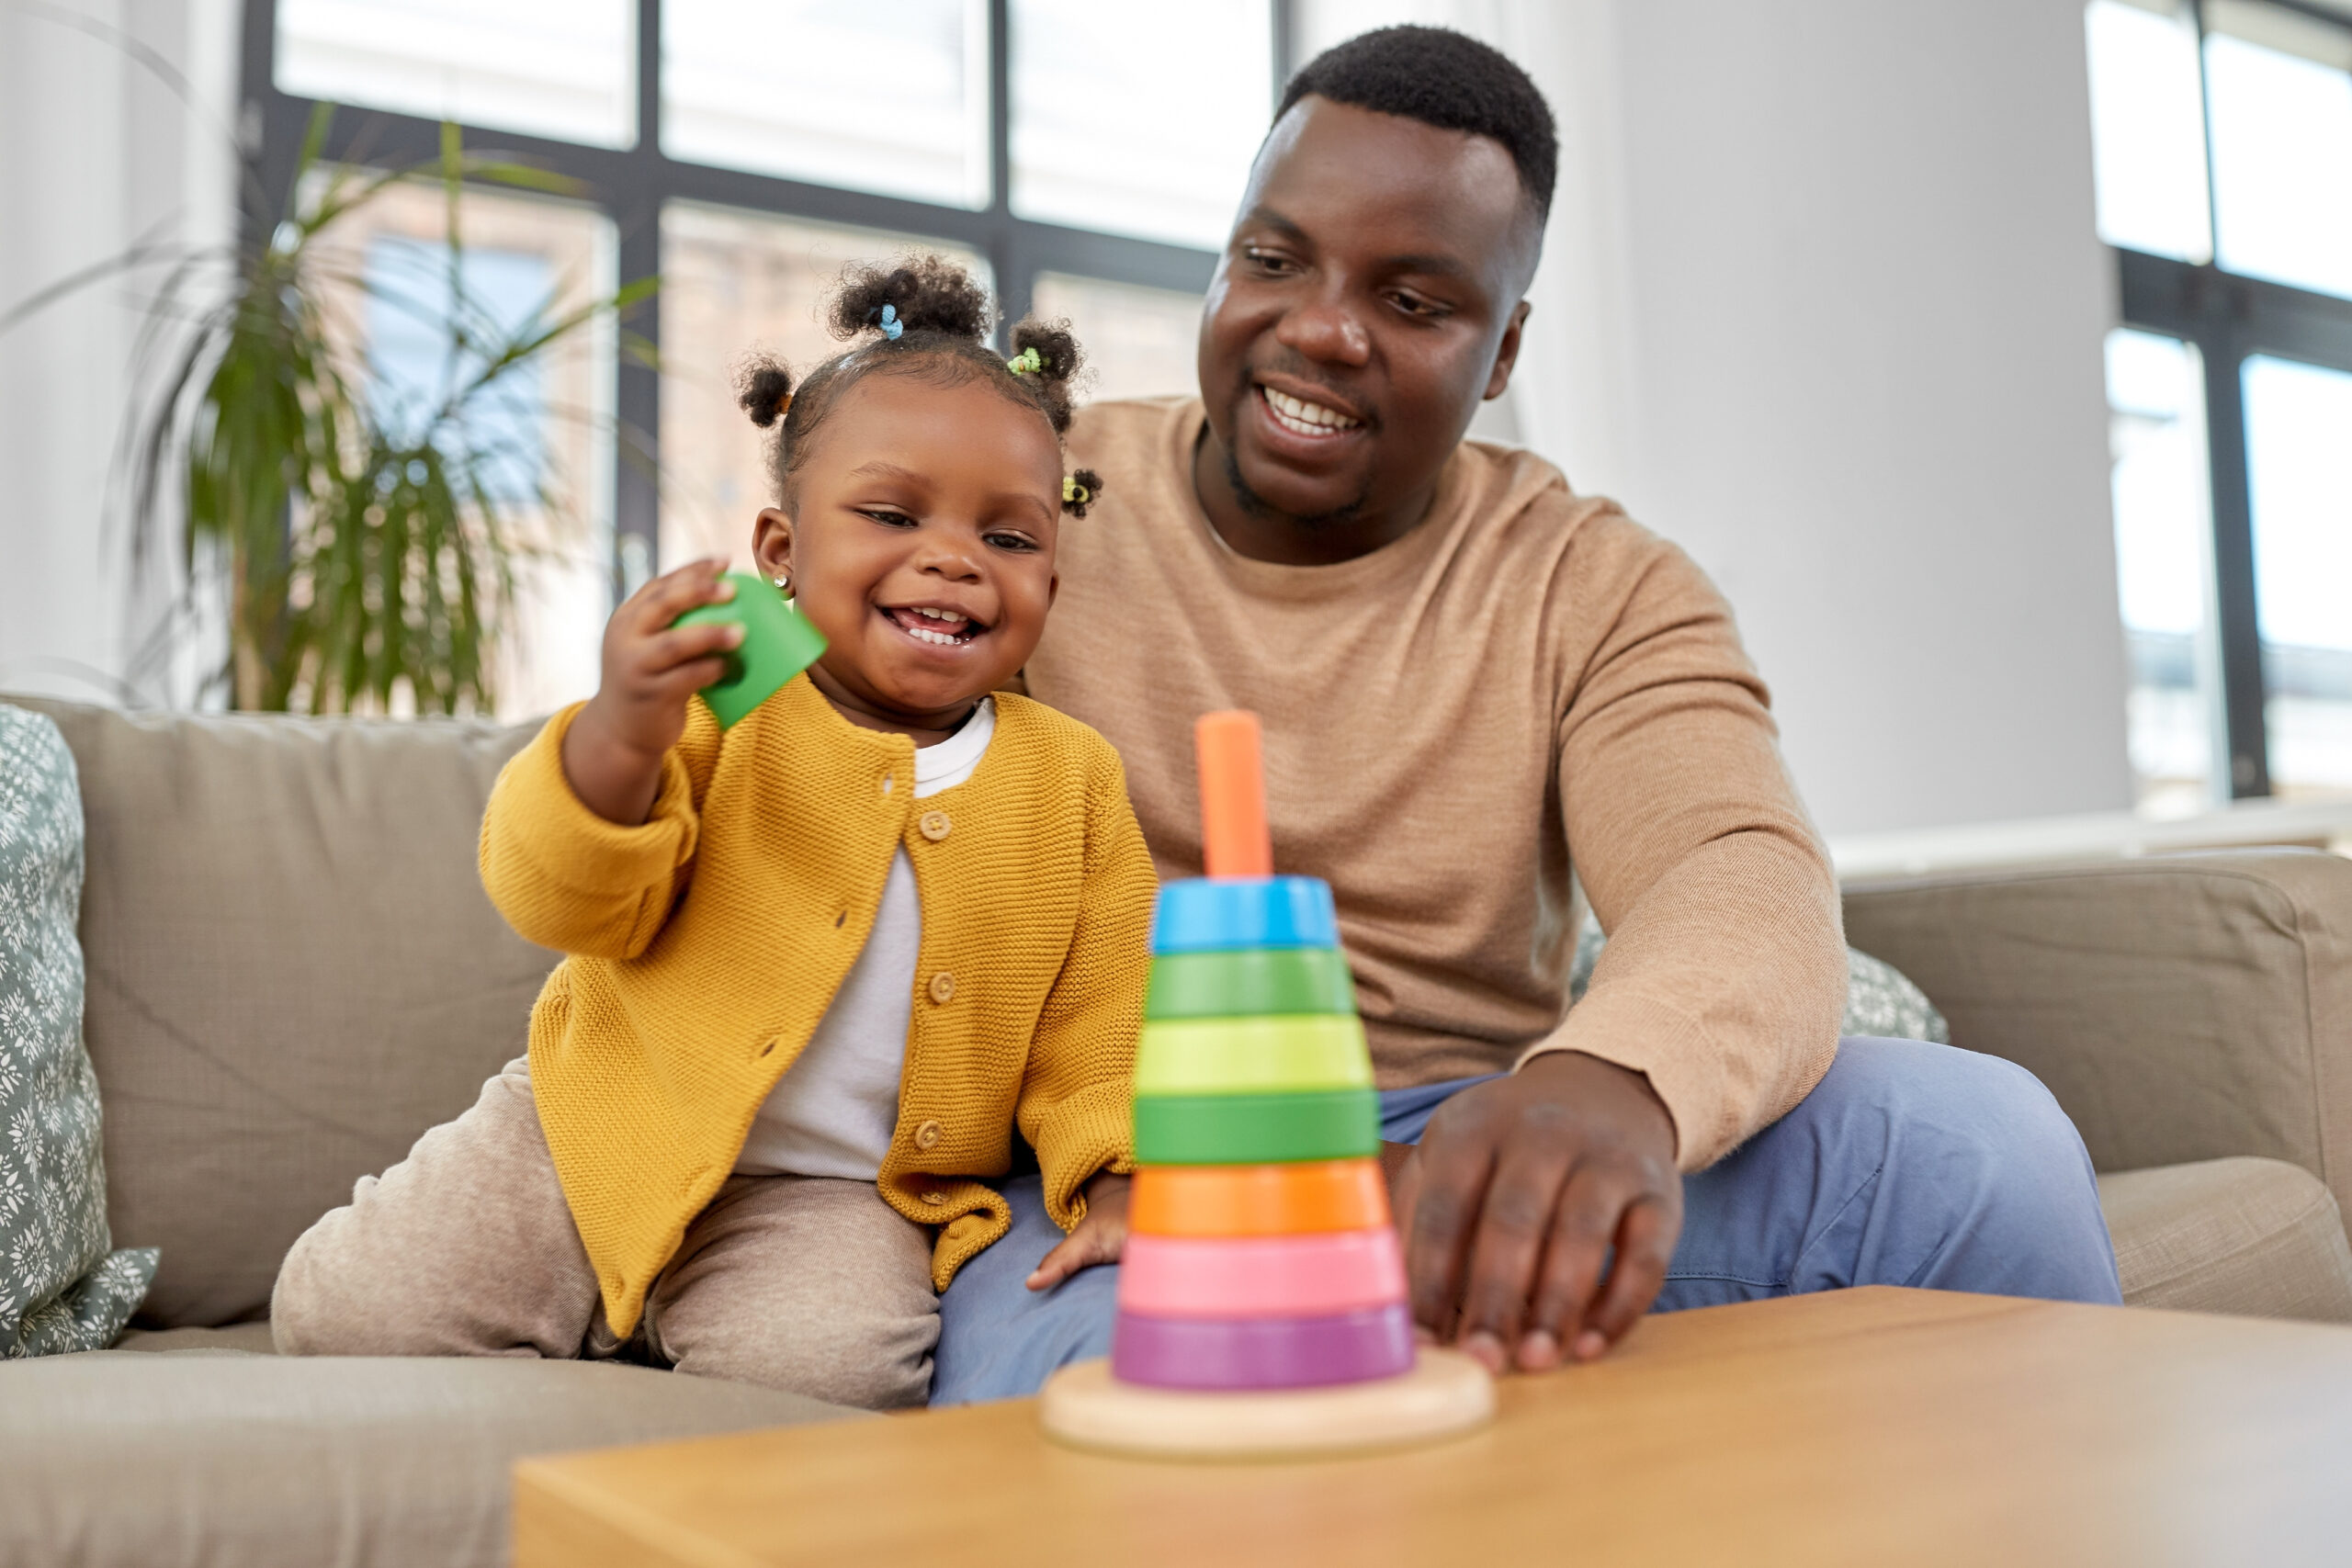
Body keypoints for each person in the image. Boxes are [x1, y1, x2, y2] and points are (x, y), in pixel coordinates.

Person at [928, 26, 2122, 1404]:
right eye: (1274, 259)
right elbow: (790, 727)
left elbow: (1728, 866)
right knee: (1174, 1392)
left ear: (1503, 353)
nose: (1320, 326)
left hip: (1464, 1148)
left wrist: (1608, 1078)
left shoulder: (1589, 579)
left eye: (1417, 299)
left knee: (1985, 1145)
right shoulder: (1024, 497)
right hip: (1108, 1168)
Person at [272, 258, 1152, 1409]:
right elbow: (566, 900)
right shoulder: (729, 689)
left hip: (828, 1195)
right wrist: (624, 729)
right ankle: (612, 1306)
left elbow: (1103, 1022)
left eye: (1011, 537)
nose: (953, 558)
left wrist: (1128, 1177)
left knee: (830, 1379)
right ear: (780, 552)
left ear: (1052, 567)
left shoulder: (1067, 775)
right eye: (891, 516)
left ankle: (658, 1329)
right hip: (592, 1132)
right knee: (344, 1309)